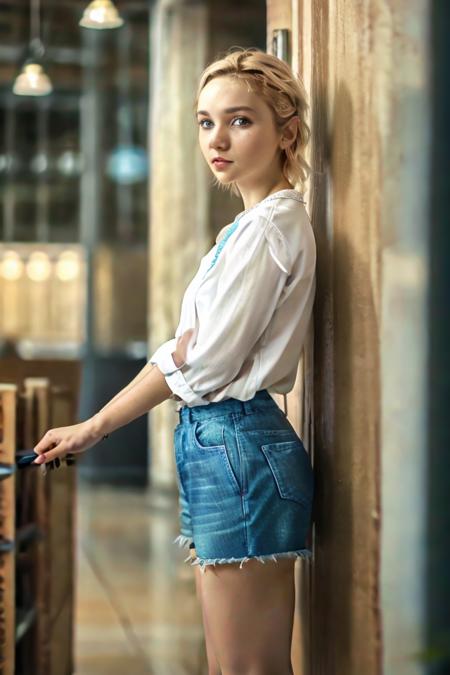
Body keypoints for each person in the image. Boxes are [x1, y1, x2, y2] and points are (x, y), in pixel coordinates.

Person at [33, 47, 316, 675]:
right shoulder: (243, 231)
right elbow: (184, 352)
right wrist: (180, 354)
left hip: (240, 443)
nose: (217, 139)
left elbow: (203, 365)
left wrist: (97, 423)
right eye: (205, 121)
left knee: (248, 669)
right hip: (219, 443)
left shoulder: (271, 229)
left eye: (240, 121)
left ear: (285, 130)